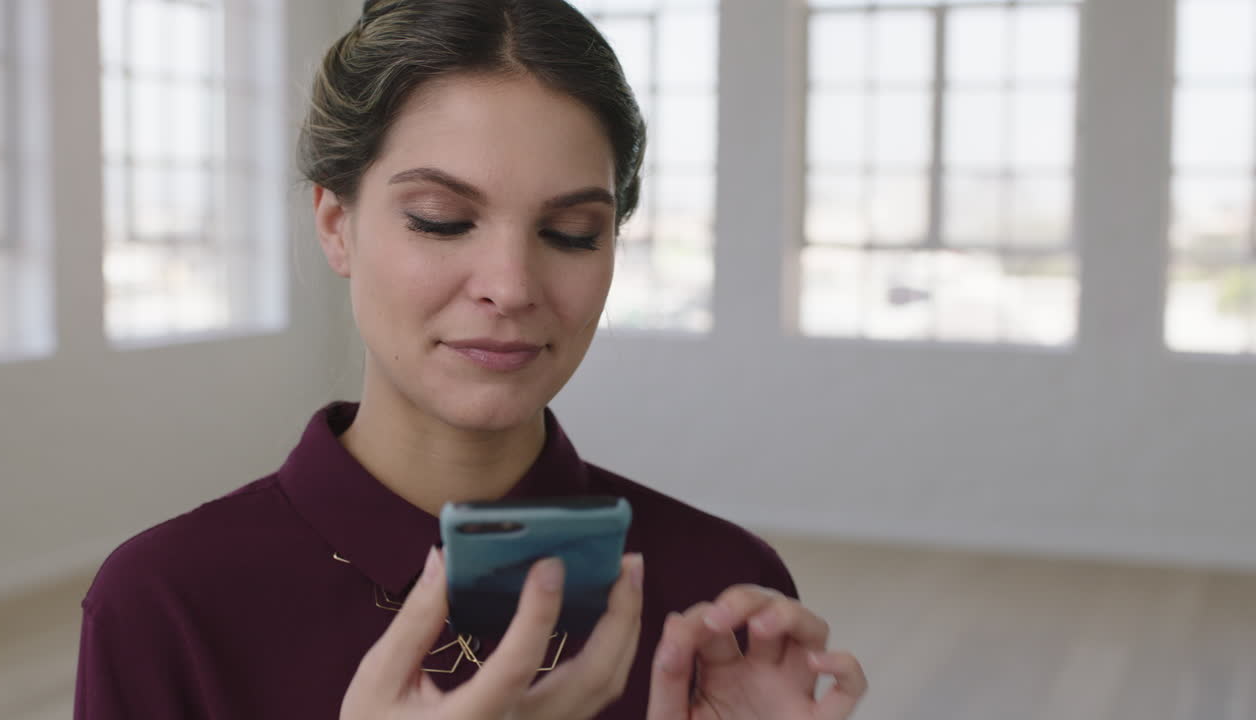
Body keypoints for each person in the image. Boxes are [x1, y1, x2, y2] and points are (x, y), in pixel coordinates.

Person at [74, 1, 867, 718]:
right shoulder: (164, 603)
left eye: (571, 234)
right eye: (442, 220)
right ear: (335, 223)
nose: (511, 287)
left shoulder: (721, 592)